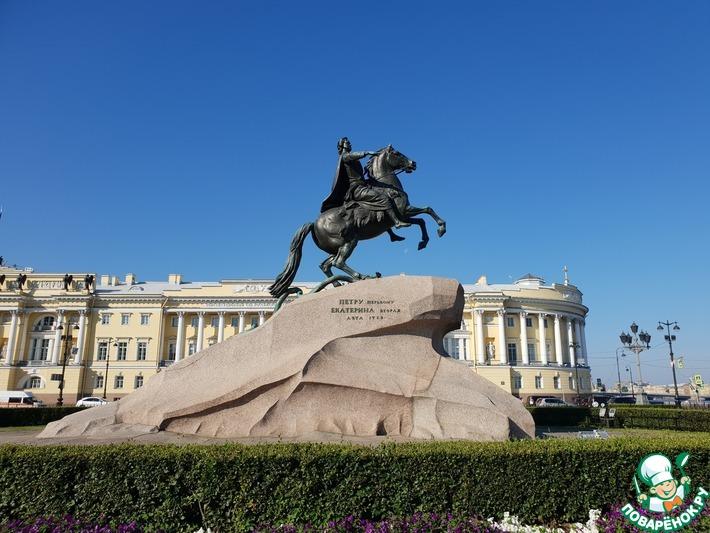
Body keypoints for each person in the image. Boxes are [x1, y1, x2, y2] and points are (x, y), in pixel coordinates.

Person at [321, 137, 410, 229]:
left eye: (349, 142)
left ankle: (389, 230)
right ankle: (396, 222)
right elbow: (352, 156)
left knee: (384, 191)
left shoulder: (352, 159)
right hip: (357, 189)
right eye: (347, 143)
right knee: (383, 198)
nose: (349, 144)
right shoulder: (345, 156)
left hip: (363, 185)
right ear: (342, 146)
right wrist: (366, 152)